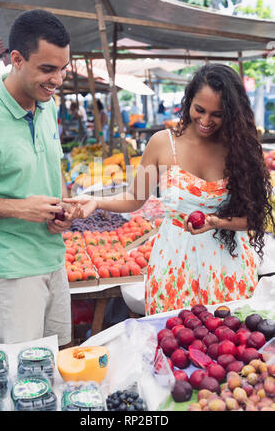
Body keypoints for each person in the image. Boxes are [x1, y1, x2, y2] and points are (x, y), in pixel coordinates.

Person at [65, 63, 274, 315]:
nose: (206, 120)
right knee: (173, 337)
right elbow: (134, 197)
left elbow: (254, 219)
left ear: (232, 112)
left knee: (229, 341)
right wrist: (96, 201)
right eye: (200, 110)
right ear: (188, 102)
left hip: (228, 265)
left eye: (217, 114)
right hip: (175, 263)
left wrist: (216, 222)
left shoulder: (241, 148)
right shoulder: (163, 143)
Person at [0, 9, 77, 347]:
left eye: (62, 68)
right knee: (24, 376)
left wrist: (64, 210)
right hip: (10, 271)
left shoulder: (47, 106)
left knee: (61, 362)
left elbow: (52, 171)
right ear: (17, 59)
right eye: (47, 69)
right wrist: (20, 208)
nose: (58, 80)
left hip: (53, 259)